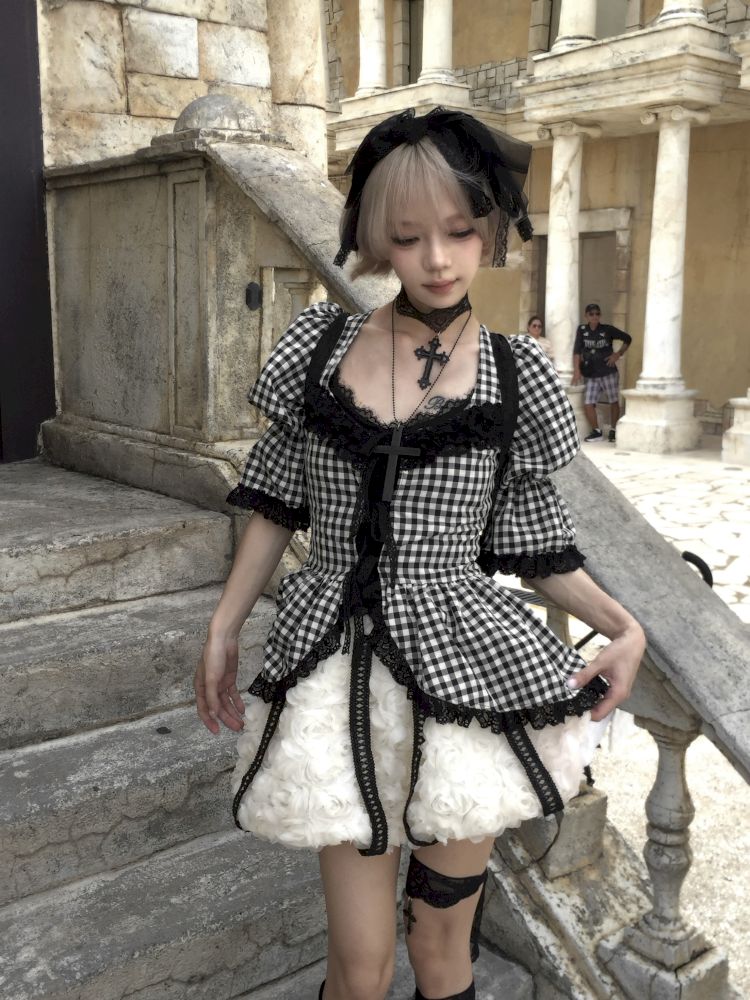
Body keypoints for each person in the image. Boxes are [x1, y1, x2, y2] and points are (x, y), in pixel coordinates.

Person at [194, 108, 645, 1000]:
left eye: (460, 231)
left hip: (463, 680)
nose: (437, 258)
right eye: (407, 237)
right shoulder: (318, 349)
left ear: (491, 228)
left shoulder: (517, 377)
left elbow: (532, 544)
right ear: (376, 240)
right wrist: (223, 626)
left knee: (441, 949)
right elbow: (275, 503)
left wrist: (623, 626)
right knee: (359, 966)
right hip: (333, 676)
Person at [571, 304, 632, 442]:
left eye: (597, 313)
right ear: (586, 316)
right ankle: (596, 431)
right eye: (591, 314)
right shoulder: (582, 330)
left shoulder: (607, 329)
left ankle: (613, 430)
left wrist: (618, 354)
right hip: (591, 374)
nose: (595, 316)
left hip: (608, 372)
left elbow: (627, 338)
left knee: (613, 401)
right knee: (588, 403)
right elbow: (577, 351)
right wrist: (577, 370)